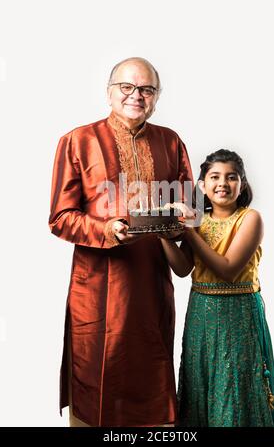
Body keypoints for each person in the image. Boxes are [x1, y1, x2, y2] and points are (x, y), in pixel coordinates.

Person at [49, 57, 193, 427]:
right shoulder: (77, 141)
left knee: (153, 377)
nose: (136, 96)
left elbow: (192, 211)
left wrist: (179, 220)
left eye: (146, 89)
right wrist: (106, 229)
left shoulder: (171, 142)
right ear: (109, 92)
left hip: (151, 285)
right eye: (126, 87)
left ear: (157, 97)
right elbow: (60, 218)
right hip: (98, 285)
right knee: (96, 378)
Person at [159, 149, 274, 427]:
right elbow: (181, 269)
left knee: (236, 384)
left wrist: (189, 231)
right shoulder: (198, 220)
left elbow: (228, 270)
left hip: (238, 314)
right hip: (201, 313)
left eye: (231, 177)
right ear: (202, 185)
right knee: (202, 382)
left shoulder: (250, 219)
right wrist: (162, 235)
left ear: (243, 184)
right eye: (214, 177)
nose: (222, 184)